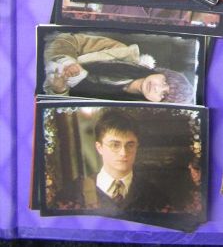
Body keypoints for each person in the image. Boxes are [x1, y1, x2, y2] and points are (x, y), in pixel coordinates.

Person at [55, 110, 161, 213]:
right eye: (115, 145)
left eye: (130, 145)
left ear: (137, 146)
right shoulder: (71, 197)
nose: (123, 153)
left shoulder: (155, 197)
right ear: (99, 147)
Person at [44, 32, 194, 103]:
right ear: (160, 72)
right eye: (165, 82)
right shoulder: (122, 52)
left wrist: (60, 90)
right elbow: (68, 39)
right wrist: (66, 61)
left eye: (163, 95)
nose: (157, 88)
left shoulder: (125, 110)